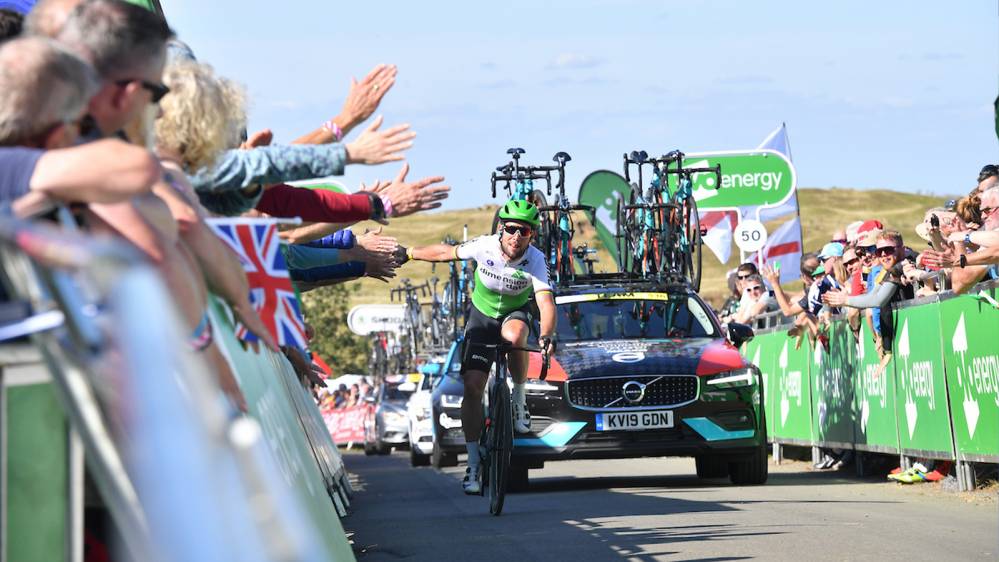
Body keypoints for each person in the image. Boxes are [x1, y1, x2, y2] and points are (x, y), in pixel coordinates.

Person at [397, 199, 556, 494]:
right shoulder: (485, 246)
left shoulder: (535, 259)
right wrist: (410, 253)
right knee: (472, 386)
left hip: (513, 314)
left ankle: (518, 401)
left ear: (532, 235)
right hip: (482, 317)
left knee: (516, 333)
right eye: (511, 229)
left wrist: (546, 336)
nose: (516, 236)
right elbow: (446, 253)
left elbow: (546, 303)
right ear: (501, 229)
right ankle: (472, 463)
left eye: (525, 231)